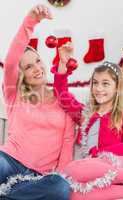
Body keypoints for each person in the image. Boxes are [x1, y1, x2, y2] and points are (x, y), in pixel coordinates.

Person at [0, 4, 75, 200]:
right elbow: (10, 63)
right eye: (28, 66)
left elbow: (67, 146)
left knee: (61, 188)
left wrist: (60, 175)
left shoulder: (63, 100)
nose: (36, 68)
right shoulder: (14, 94)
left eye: (38, 61)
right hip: (8, 161)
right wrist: (31, 21)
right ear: (21, 74)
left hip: (37, 178)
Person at [52, 43, 123, 199]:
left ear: (117, 88)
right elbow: (61, 94)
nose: (98, 88)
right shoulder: (85, 114)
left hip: (115, 164)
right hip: (94, 173)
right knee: (74, 194)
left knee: (73, 169)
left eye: (105, 83)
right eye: (95, 83)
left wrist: (101, 155)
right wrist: (62, 64)